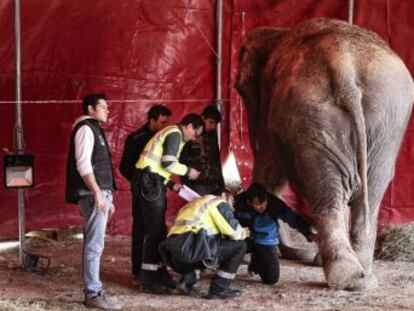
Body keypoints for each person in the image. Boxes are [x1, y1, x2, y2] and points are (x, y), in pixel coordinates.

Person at [133, 113, 204, 293]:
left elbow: (157, 166)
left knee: (157, 231)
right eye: (195, 133)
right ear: (188, 126)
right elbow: (168, 163)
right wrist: (188, 171)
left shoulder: (172, 134)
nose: (194, 138)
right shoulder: (175, 133)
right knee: (155, 232)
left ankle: (159, 273)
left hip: (151, 181)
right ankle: (149, 281)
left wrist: (172, 184)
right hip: (150, 183)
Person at [65, 93, 122, 310]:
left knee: (95, 243)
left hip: (98, 194)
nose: (107, 110)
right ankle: (93, 293)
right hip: (91, 195)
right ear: (90, 108)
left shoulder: (94, 129)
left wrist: (107, 195)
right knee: (94, 245)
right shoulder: (86, 129)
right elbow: (83, 165)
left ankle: (95, 289)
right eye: (103, 107)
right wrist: (98, 192)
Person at [119, 104, 172, 283]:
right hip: (142, 193)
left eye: (167, 122)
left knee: (157, 230)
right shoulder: (136, 138)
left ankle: (157, 269)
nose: (166, 126)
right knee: (140, 230)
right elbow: (124, 167)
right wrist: (142, 184)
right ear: (151, 120)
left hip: (159, 193)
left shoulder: (164, 139)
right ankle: (137, 272)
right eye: (162, 122)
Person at [160, 194, 248, 299]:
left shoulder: (196, 202)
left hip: (173, 254)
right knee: (240, 245)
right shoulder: (218, 203)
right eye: (232, 200)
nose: (232, 206)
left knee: (208, 245)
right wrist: (246, 232)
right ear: (224, 194)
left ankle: (186, 282)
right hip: (191, 249)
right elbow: (235, 233)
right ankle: (219, 289)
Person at [234, 183, 314, 285]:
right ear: (249, 202)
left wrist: (308, 232)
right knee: (229, 250)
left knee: (271, 280)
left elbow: (292, 218)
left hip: (265, 241)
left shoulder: (274, 203)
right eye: (257, 204)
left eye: (264, 202)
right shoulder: (238, 203)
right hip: (243, 239)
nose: (262, 207)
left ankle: (257, 260)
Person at [180, 105, 225, 195]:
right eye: (211, 122)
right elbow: (182, 158)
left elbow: (216, 159)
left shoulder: (212, 135)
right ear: (203, 118)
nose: (213, 126)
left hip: (213, 183)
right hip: (196, 183)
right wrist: (186, 180)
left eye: (215, 124)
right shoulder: (191, 134)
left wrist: (221, 183)